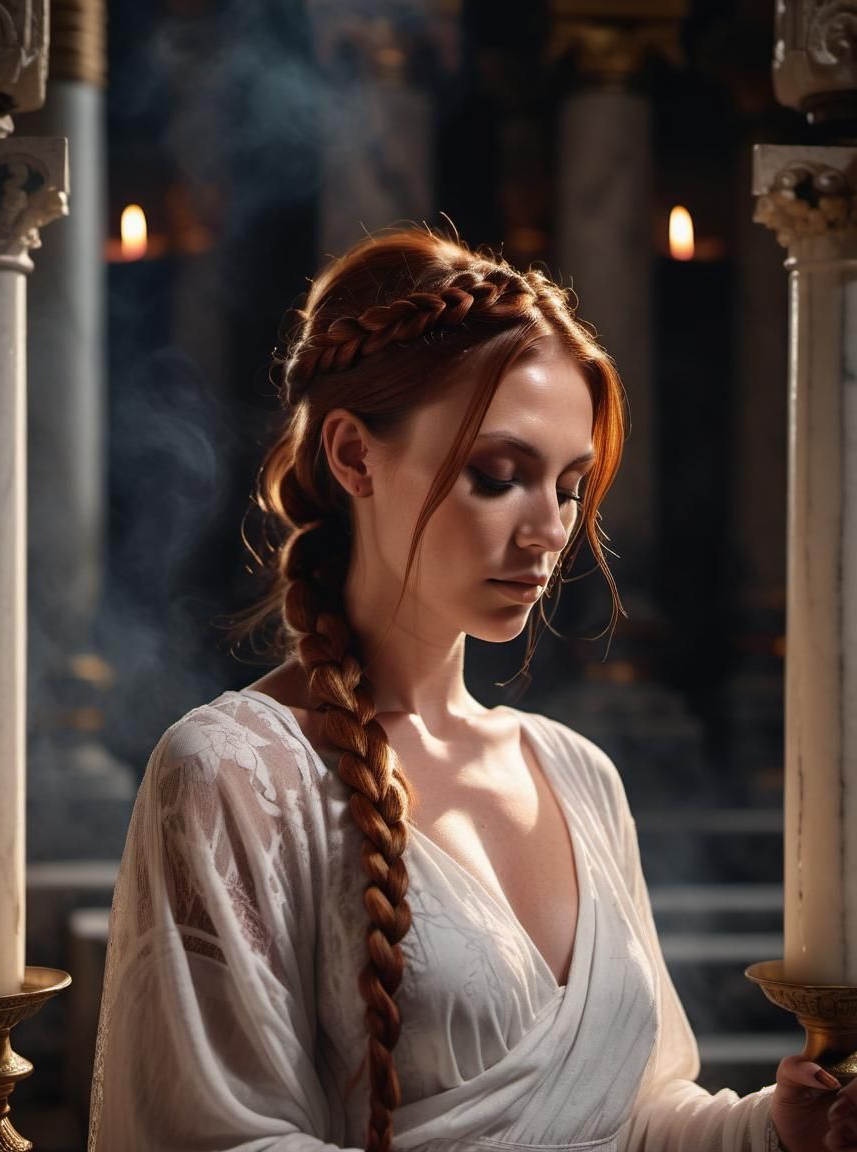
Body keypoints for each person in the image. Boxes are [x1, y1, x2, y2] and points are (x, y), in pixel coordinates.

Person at [88, 226, 857, 1152]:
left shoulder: (578, 774)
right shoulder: (237, 775)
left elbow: (637, 1114)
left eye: (568, 487)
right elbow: (220, 1140)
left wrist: (770, 1130)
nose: (550, 531)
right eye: (498, 476)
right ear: (353, 456)